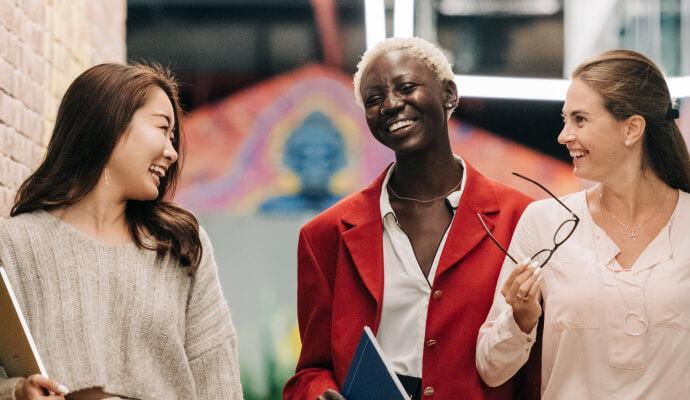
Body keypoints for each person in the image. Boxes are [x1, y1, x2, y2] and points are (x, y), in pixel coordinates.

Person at [283, 37, 539, 400]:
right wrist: (319, 394)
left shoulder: (520, 218)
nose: (390, 104)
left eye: (406, 87)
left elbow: (538, 367)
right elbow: (310, 370)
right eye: (373, 99)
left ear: (449, 94)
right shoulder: (325, 235)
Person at [0, 63, 243, 400]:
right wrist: (17, 392)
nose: (172, 153)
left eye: (174, 138)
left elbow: (220, 386)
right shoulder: (13, 245)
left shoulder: (182, 247)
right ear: (110, 124)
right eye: (163, 129)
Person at [476, 49, 690, 399]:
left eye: (579, 120)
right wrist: (520, 320)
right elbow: (491, 367)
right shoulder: (544, 222)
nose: (563, 135)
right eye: (565, 119)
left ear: (632, 129)